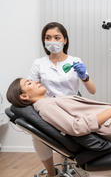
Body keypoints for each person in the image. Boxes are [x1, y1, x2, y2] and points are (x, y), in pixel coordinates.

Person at [27, 22, 96, 177]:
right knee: (36, 133)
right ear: (43, 41)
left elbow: (92, 90)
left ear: (64, 40)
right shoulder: (39, 64)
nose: (52, 41)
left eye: (57, 37)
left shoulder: (75, 61)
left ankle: (87, 167)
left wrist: (84, 76)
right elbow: (30, 91)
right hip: (49, 110)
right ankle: (52, 172)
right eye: (48, 38)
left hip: (72, 108)